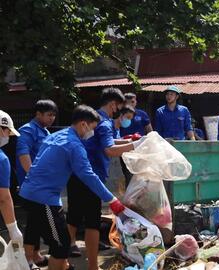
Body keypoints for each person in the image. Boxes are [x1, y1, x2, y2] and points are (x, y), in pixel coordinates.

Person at [19, 105, 126, 270]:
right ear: (83, 124)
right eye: (92, 128)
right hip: (42, 198)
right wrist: (111, 199)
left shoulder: (56, 136)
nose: (92, 133)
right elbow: (88, 175)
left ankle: (63, 266)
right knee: (61, 247)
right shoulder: (74, 145)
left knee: (57, 239)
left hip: (35, 193)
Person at [66, 88, 144, 270]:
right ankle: (93, 266)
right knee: (92, 222)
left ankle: (64, 258)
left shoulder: (97, 120)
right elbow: (109, 149)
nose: (118, 110)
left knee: (74, 217)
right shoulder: (104, 122)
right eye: (118, 106)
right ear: (113, 104)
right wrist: (134, 145)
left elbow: (108, 143)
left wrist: (131, 141)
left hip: (77, 175)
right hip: (91, 177)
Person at [15, 100, 57, 267]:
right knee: (36, 221)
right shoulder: (27, 130)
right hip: (33, 186)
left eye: (53, 115)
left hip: (43, 185)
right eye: (48, 115)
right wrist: (36, 178)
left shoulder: (45, 132)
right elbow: (23, 154)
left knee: (35, 221)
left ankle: (35, 255)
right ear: (38, 114)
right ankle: (29, 258)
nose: (52, 118)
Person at [0, 110, 24, 258]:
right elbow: (3, 198)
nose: (8, 136)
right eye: (8, 132)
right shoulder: (1, 160)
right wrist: (13, 229)